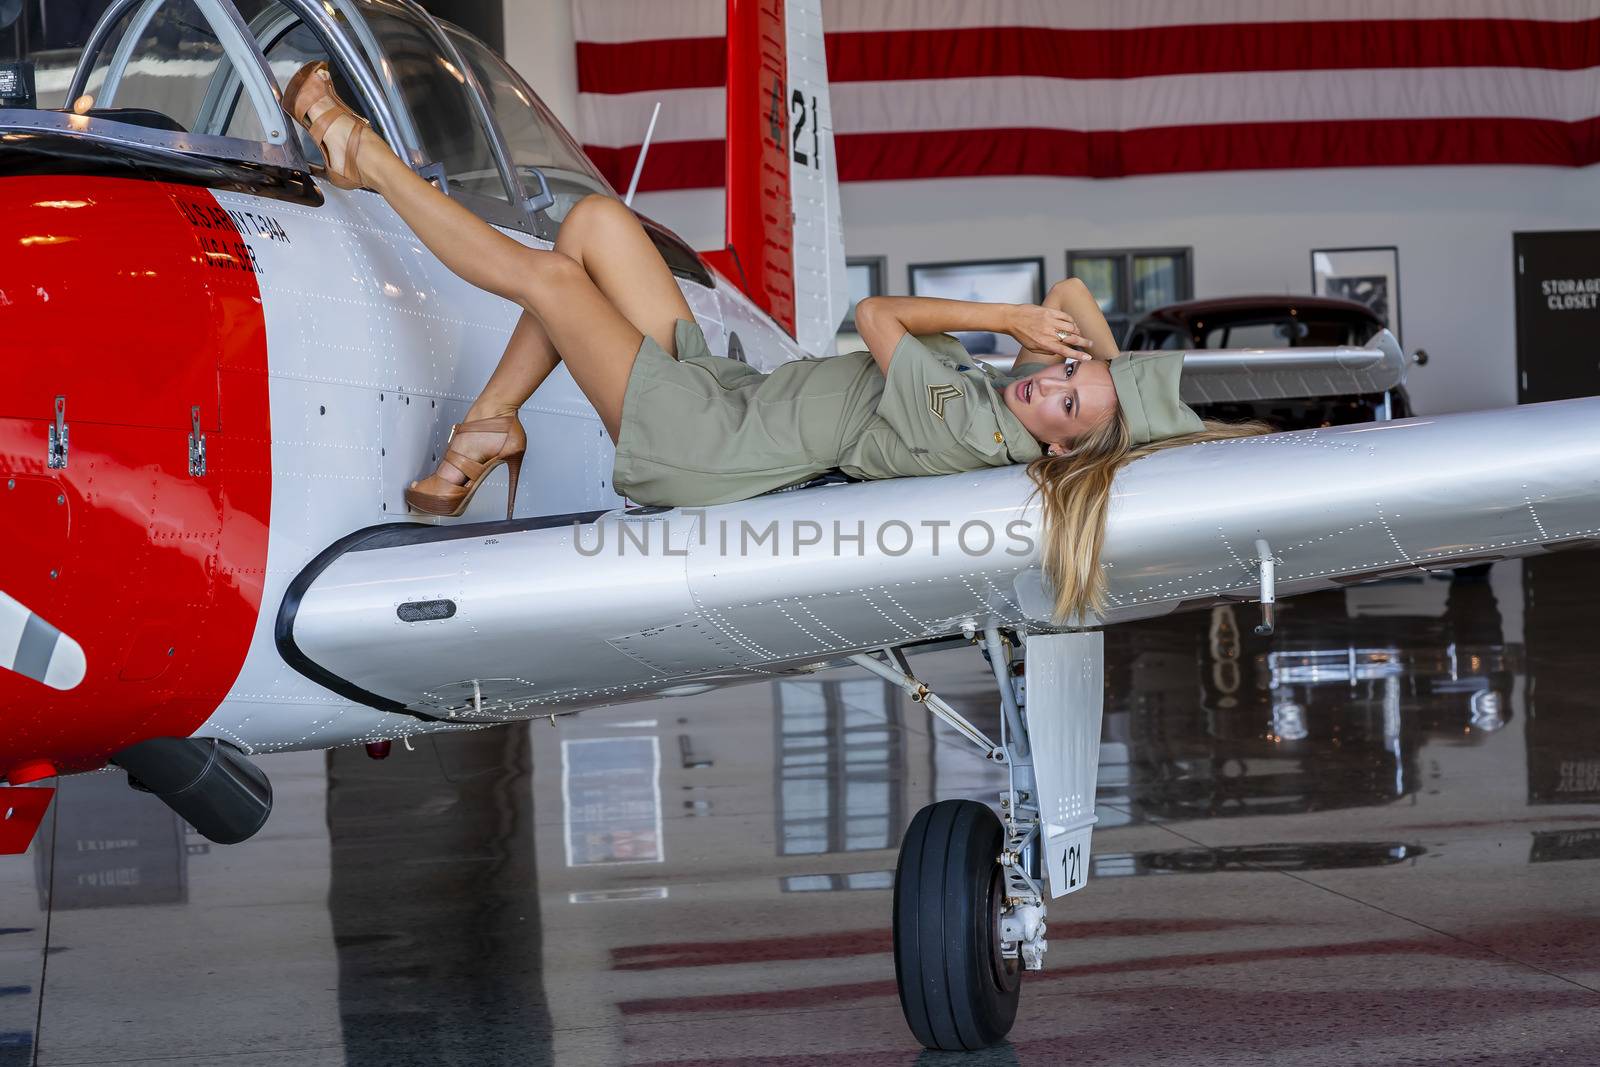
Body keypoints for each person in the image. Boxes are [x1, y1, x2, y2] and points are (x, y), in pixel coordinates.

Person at [282, 62, 1266, 623]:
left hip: (705, 448)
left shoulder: (964, 424)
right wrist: (1113, 384)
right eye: (1065, 374)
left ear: (1055, 447)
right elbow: (1074, 293)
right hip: (732, 398)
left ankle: (362, 157)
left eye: (1062, 407)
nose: (1045, 385)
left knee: (547, 276)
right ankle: (492, 426)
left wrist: (1010, 325)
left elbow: (876, 317)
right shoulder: (1024, 411)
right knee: (591, 227)